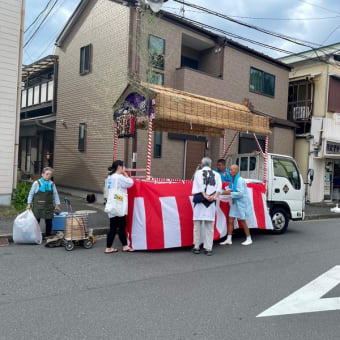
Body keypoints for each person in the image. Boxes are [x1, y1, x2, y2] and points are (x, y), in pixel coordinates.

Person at [192, 157, 222, 256]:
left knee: (197, 225)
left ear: (202, 164)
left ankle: (196, 246)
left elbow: (200, 185)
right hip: (211, 202)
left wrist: (204, 195)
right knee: (209, 227)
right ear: (210, 164)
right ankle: (208, 248)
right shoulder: (217, 174)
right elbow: (219, 187)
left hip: (200, 201)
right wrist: (214, 196)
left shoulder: (198, 173)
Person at [105, 160, 134, 254]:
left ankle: (109, 247)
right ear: (119, 167)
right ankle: (124, 246)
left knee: (113, 227)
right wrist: (125, 174)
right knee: (121, 227)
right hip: (119, 205)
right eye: (124, 166)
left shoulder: (109, 177)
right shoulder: (119, 177)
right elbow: (130, 183)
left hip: (111, 204)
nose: (125, 168)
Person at [220, 164, 253, 246]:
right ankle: (229, 239)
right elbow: (230, 188)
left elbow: (240, 193)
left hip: (241, 202)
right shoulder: (233, 179)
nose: (229, 171)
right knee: (230, 219)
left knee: (242, 221)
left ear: (236, 171)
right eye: (229, 170)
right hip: (235, 202)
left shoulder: (240, 180)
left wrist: (228, 192)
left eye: (231, 170)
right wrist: (225, 191)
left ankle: (249, 238)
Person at [26, 167, 61, 238]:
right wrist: (28, 204)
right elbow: (31, 194)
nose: (48, 176)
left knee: (49, 221)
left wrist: (57, 204)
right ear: (42, 174)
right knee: (36, 221)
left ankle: (48, 235)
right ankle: (35, 235)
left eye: (50, 174)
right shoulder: (36, 183)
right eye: (47, 174)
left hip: (48, 206)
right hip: (38, 206)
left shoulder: (52, 184)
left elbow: (55, 194)